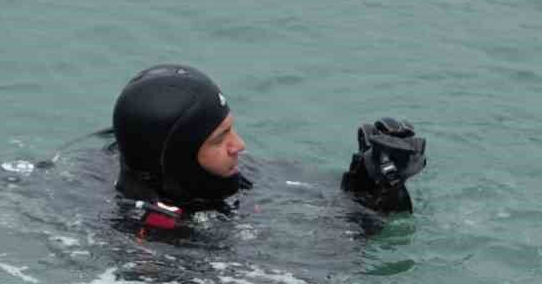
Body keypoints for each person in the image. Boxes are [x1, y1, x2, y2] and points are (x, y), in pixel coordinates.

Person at [110, 64, 427, 233]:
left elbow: (315, 197)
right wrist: (367, 224)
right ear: (178, 158)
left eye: (231, 129)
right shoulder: (155, 241)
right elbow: (307, 283)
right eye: (219, 139)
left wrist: (370, 186)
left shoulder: (213, 179)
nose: (239, 145)